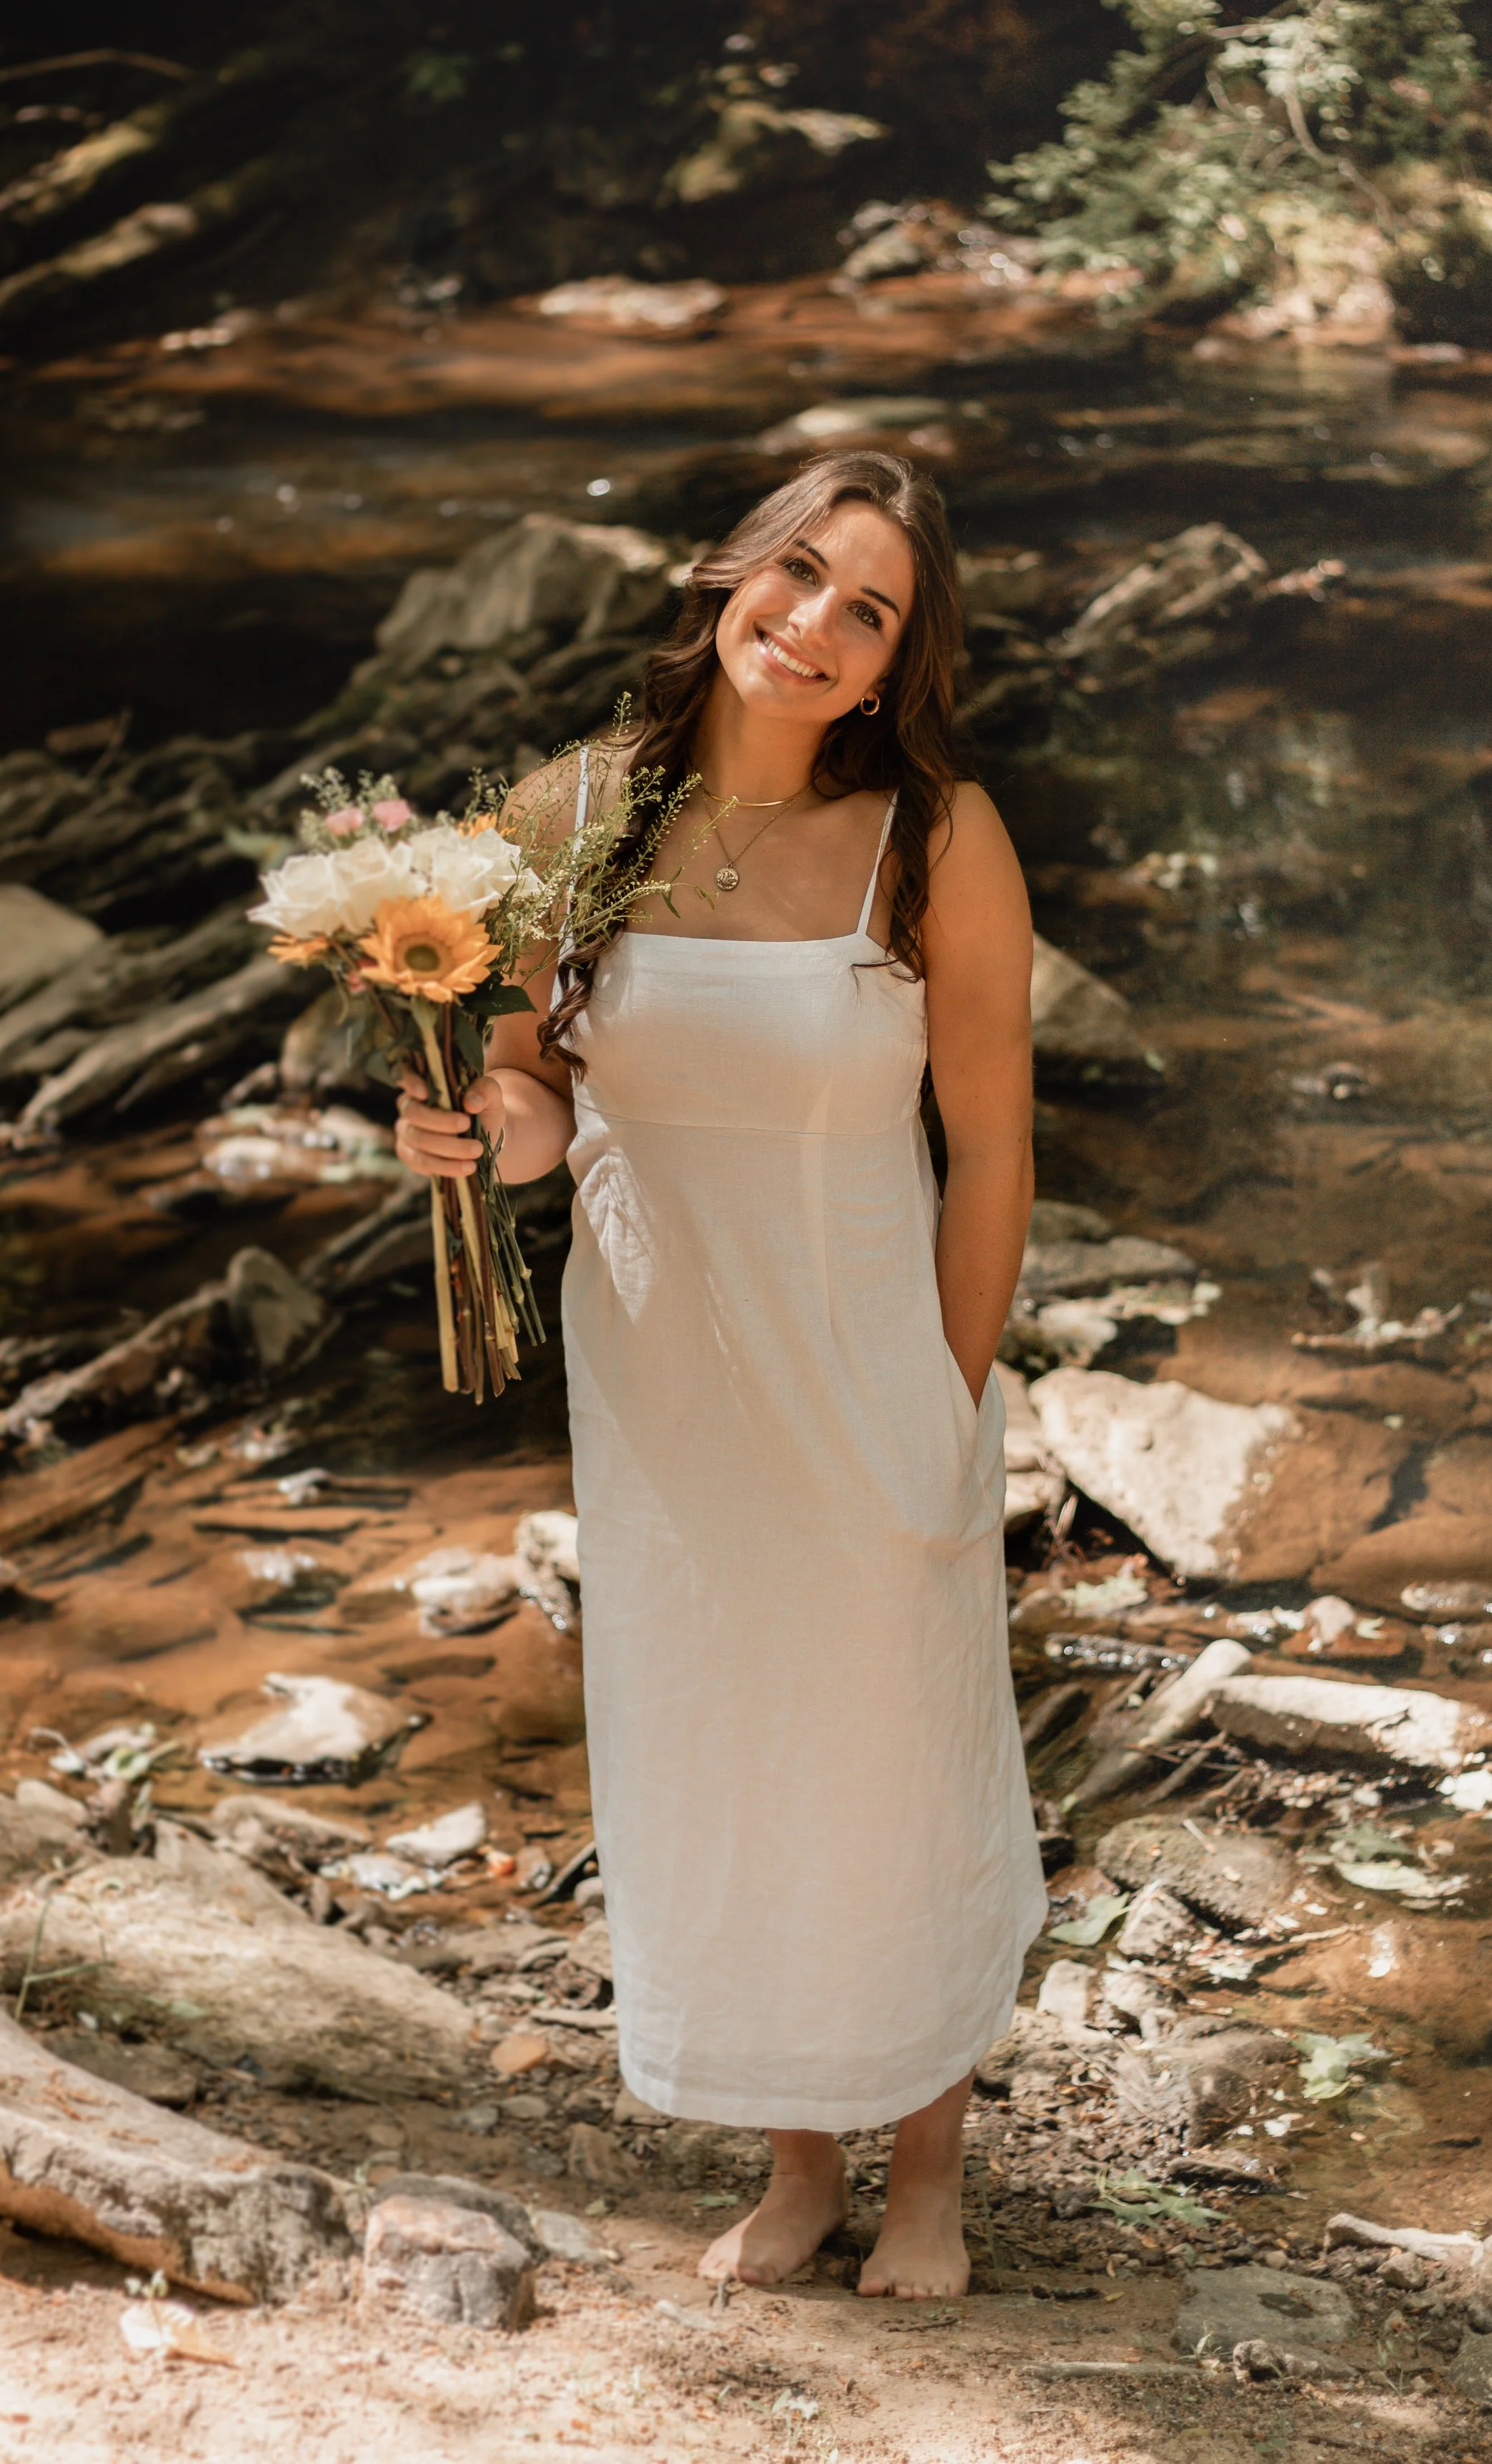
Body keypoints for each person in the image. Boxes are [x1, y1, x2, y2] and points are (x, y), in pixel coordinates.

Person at [397, 449, 1045, 2299]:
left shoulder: (937, 836)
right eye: (798, 575)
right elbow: (533, 1089)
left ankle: (926, 2164)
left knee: (895, 1746)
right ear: (725, 572)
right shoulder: (582, 808)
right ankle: (796, 2163)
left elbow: (991, 1146)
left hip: (866, 1362)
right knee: (733, 1749)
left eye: (869, 610)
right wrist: (464, 1132)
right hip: (669, 1381)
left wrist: (948, 1390)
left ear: (897, 660)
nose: (815, 626)